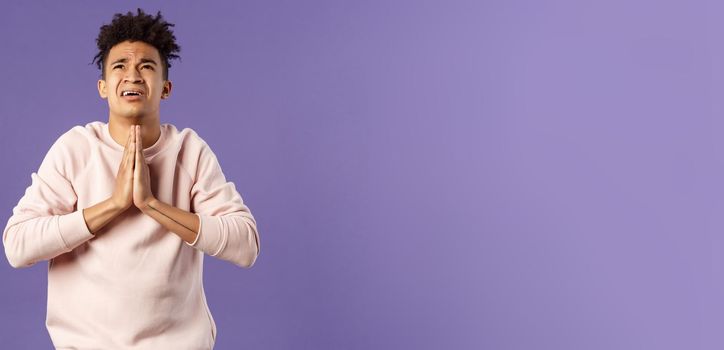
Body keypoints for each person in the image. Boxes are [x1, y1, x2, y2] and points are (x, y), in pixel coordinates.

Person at [2, 8, 260, 349]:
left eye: (147, 66)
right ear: (103, 87)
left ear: (165, 88)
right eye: (120, 66)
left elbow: (245, 246)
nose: (133, 76)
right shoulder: (75, 149)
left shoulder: (189, 151)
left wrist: (152, 205)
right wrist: (114, 205)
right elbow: (18, 246)